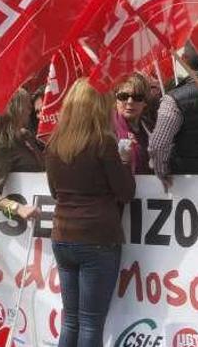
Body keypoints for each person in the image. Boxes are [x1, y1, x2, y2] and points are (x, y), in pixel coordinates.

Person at [45, 79, 135, 347]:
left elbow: (54, 191)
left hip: (63, 235)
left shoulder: (54, 143)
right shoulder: (103, 143)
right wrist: (125, 162)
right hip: (97, 236)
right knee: (91, 324)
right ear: (99, 106)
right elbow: (126, 192)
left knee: (71, 321)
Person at [149, 43, 198, 189]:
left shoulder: (173, 99)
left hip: (187, 182)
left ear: (184, 59)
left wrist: (162, 173)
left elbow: (158, 145)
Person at [0, 89, 42, 220]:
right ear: (15, 109)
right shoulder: (2, 145)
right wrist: (18, 208)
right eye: (27, 106)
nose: (30, 111)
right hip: (23, 220)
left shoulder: (27, 137)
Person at [113, 73, 153, 174]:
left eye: (137, 97)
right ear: (116, 99)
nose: (130, 102)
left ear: (145, 102)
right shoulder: (107, 128)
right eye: (124, 96)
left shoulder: (151, 127)